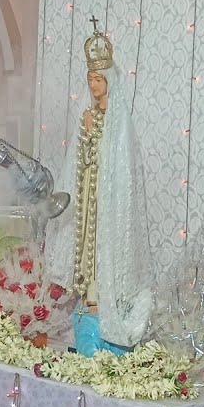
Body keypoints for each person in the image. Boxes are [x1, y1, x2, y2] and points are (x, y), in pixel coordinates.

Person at [44, 19, 153, 355]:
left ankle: (103, 300)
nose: (93, 85)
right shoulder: (87, 116)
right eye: (90, 79)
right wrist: (88, 136)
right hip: (88, 193)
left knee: (104, 246)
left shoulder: (118, 120)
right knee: (85, 246)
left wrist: (96, 139)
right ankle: (88, 298)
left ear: (109, 81)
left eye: (98, 79)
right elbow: (81, 158)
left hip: (109, 200)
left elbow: (121, 165)